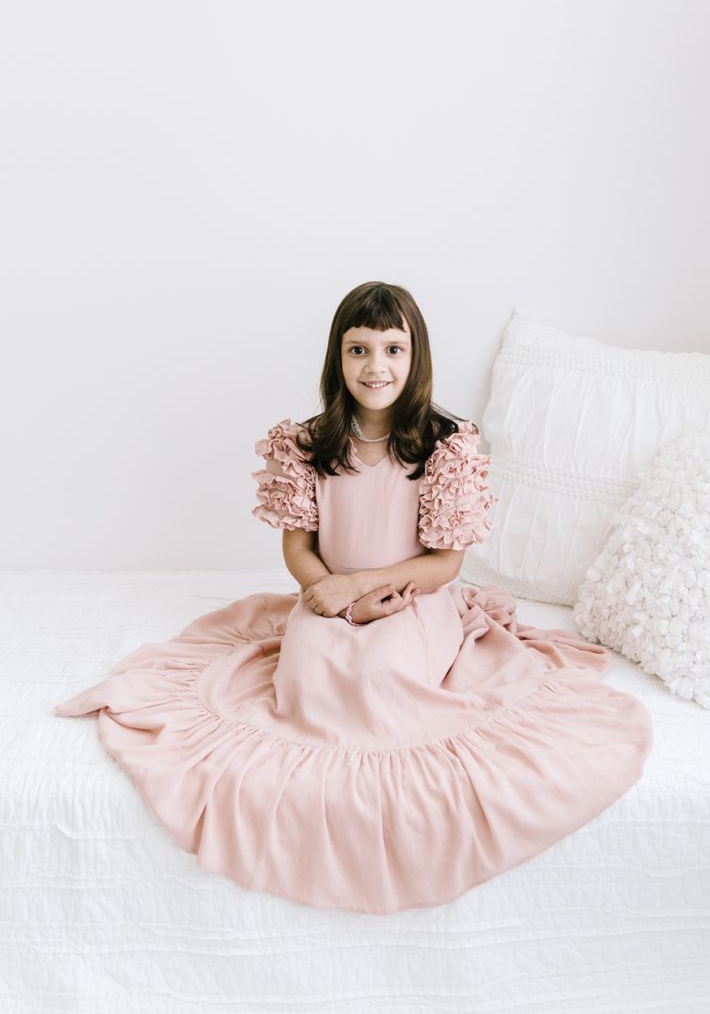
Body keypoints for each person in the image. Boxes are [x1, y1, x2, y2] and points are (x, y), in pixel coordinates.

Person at [54, 280, 653, 915]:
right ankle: (312, 801)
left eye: (394, 350)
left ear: (415, 356)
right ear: (337, 359)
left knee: (385, 676)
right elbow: (298, 550)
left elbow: (445, 564)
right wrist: (333, 599)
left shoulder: (445, 445)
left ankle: (390, 811)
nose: (377, 367)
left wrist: (363, 588)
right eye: (359, 350)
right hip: (325, 595)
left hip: (415, 599)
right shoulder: (309, 444)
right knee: (308, 677)